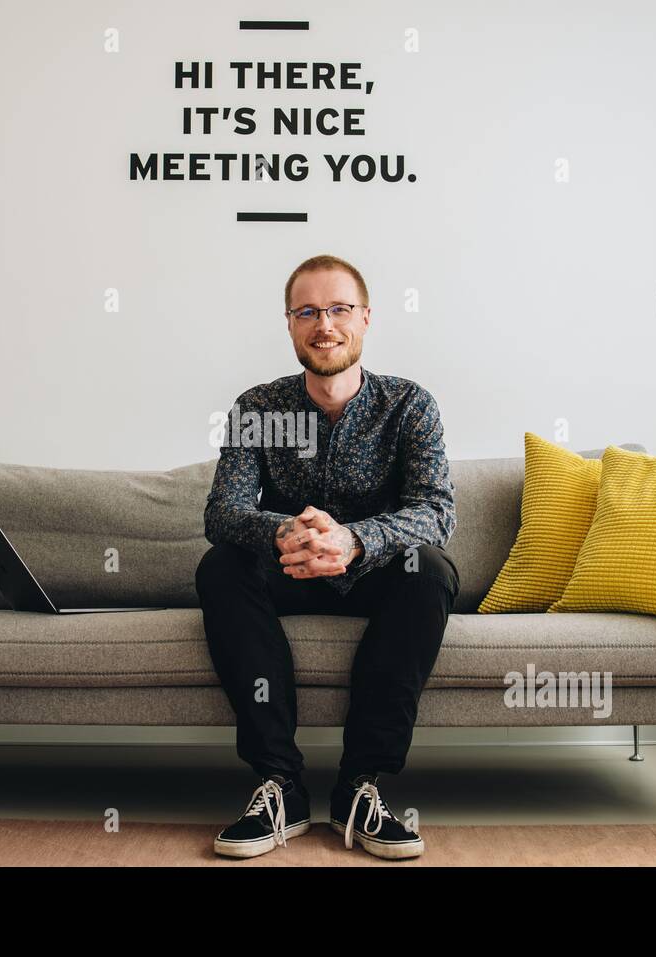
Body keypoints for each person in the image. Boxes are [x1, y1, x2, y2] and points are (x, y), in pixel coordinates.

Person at [196, 254, 460, 860]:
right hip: (287, 569)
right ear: (289, 324)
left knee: (431, 571)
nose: (325, 324)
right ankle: (280, 786)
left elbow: (435, 511)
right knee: (221, 565)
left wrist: (353, 540)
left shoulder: (409, 406)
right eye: (308, 311)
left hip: (374, 575)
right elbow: (224, 512)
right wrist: (288, 529)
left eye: (339, 308)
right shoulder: (260, 409)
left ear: (365, 319)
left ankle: (359, 788)